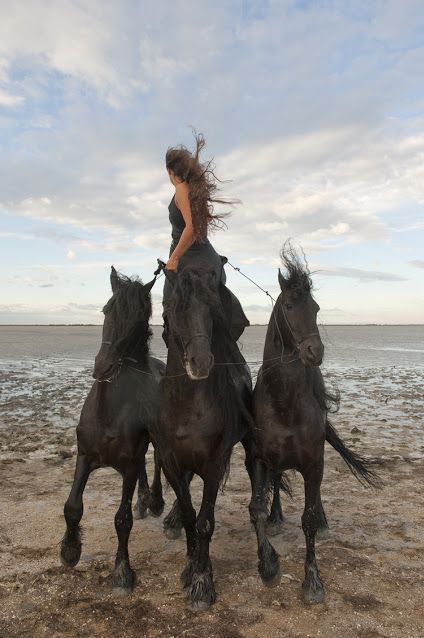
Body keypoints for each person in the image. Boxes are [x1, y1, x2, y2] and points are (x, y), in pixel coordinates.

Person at [162, 132, 249, 345]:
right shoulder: (194, 190)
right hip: (208, 258)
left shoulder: (182, 190)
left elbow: (191, 230)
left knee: (171, 308)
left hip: (190, 259)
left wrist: (173, 258)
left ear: (170, 171)